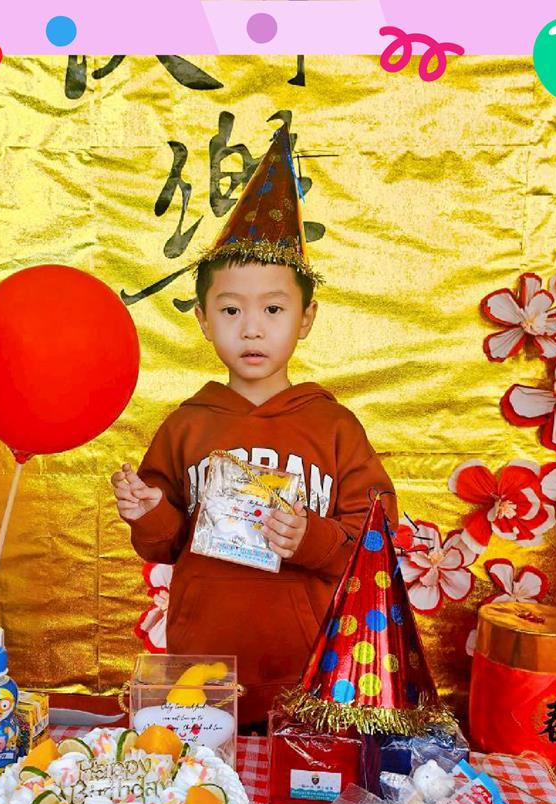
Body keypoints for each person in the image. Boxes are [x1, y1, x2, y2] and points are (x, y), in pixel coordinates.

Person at [112, 126, 397, 727]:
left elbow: (378, 538)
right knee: (204, 777)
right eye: (230, 309)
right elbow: (164, 544)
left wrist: (311, 538)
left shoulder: (335, 427)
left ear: (306, 318)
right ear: (202, 320)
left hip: (311, 668)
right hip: (202, 666)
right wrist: (149, 511)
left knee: (294, 777)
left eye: (273, 308)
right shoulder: (187, 426)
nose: (251, 328)